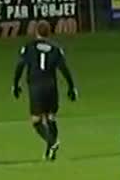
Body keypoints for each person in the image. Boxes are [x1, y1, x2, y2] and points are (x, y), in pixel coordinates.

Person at [12, 22, 78, 161]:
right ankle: (50, 152)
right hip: (51, 86)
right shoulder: (55, 48)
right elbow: (64, 68)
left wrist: (16, 84)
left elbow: (20, 65)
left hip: (36, 86)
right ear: (49, 32)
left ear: (36, 32)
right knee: (50, 117)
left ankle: (52, 142)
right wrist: (71, 87)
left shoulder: (29, 47)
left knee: (36, 121)